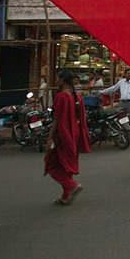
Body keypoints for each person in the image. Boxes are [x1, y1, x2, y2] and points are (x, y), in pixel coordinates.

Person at [44, 69, 91, 206]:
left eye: (58, 78)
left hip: (63, 134)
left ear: (62, 80)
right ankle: (66, 196)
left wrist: (50, 138)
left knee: (51, 164)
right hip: (74, 133)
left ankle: (72, 185)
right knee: (66, 164)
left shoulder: (61, 97)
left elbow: (57, 120)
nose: (56, 81)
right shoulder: (77, 96)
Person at [101, 68, 130, 133]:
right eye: (128, 74)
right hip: (123, 103)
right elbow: (114, 88)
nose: (129, 75)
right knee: (122, 118)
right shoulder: (121, 82)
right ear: (125, 74)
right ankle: (124, 134)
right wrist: (103, 92)